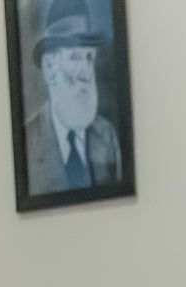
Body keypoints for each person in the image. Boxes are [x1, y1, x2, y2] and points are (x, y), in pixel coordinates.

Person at [21, 0, 122, 196]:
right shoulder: (29, 142)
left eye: (89, 57)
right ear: (49, 68)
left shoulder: (107, 136)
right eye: (75, 57)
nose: (86, 73)